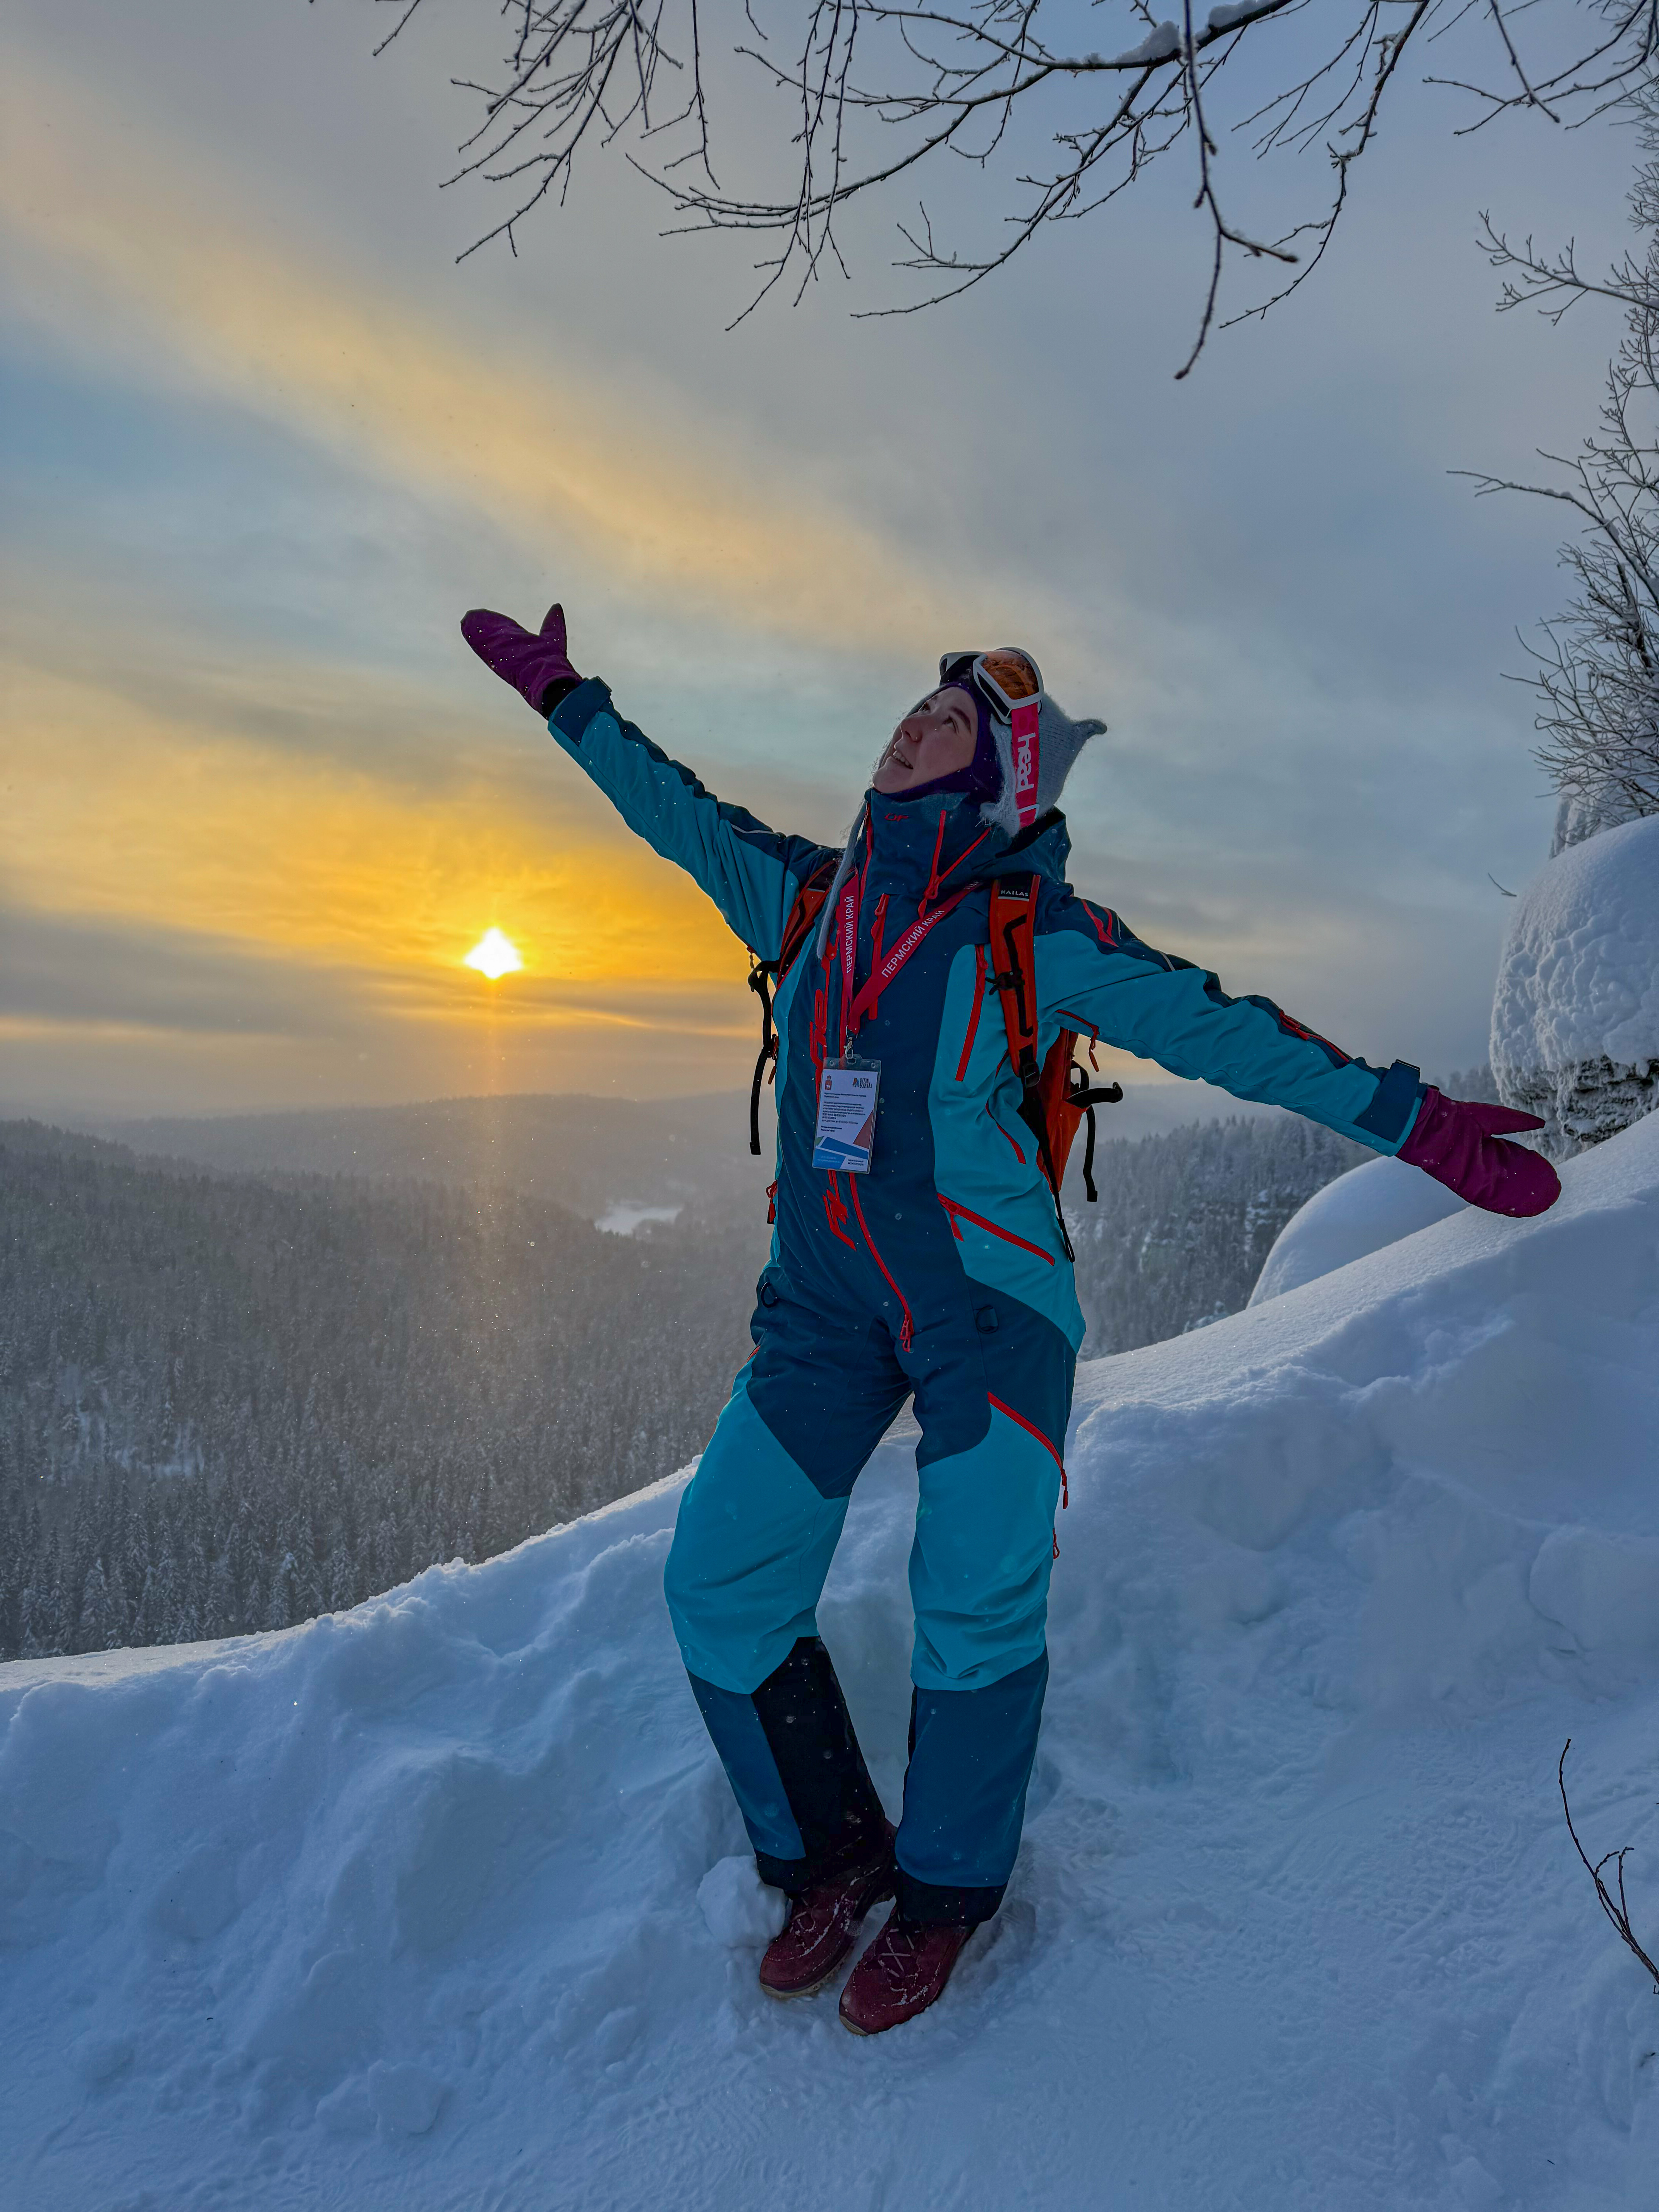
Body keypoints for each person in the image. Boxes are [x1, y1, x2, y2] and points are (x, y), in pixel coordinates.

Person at [462, 601, 1559, 2036]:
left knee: (971, 1597)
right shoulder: (803, 898)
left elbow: (1236, 1032)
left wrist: (1425, 1127)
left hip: (986, 1306)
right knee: (719, 1581)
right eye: (913, 711)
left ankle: (944, 1896)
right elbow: (671, 808)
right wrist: (566, 700)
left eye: (957, 726)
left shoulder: (1029, 932)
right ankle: (826, 1856)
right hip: (821, 1309)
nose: (913, 725)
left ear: (1005, 784)